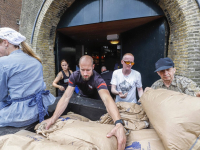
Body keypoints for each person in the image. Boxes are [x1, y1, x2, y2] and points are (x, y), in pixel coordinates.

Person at [43, 55, 126, 150]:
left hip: (96, 102)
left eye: (88, 70)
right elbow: (66, 97)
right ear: (79, 67)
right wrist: (53, 118)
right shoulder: (74, 75)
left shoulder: (98, 79)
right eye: (82, 70)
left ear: (93, 67)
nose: (85, 73)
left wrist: (119, 123)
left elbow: (107, 99)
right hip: (82, 99)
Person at [0, 27, 55, 127]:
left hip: (21, 115)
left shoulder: (3, 62)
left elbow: (1, 95)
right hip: (40, 109)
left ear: (5, 43)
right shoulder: (34, 59)